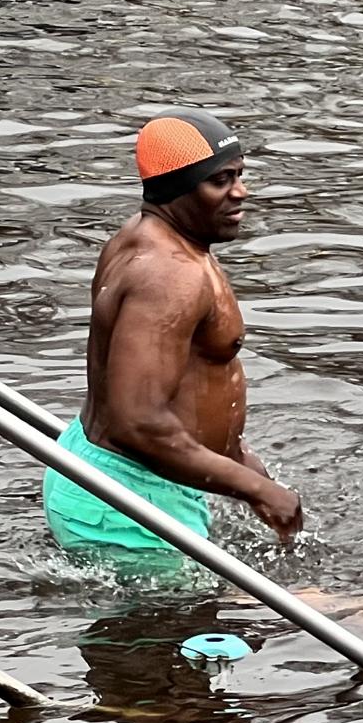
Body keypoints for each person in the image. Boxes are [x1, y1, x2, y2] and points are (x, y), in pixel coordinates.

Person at [42, 107, 302, 555]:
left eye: (239, 175)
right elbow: (137, 423)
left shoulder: (148, 237)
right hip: (126, 503)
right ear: (177, 189)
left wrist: (242, 466)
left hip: (119, 480)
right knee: (306, 597)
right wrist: (258, 489)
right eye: (220, 180)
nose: (241, 192)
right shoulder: (169, 274)